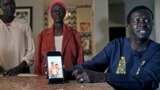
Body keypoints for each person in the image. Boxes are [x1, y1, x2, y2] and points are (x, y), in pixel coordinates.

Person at [65, 6, 160, 90]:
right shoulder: (116, 45)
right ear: (128, 26)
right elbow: (93, 65)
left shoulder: (156, 51)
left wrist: (104, 77)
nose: (142, 24)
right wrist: (65, 72)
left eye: (147, 20)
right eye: (137, 20)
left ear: (152, 24)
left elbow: (146, 80)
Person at [34, 0, 84, 76]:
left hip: (70, 77)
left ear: (64, 13)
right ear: (51, 14)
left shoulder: (75, 34)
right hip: (46, 78)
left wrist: (80, 75)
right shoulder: (42, 35)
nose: (57, 12)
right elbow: (38, 61)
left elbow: (80, 58)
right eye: (54, 10)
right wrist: (37, 78)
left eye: (60, 9)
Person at [0, 0, 35, 76]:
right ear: (0, 6)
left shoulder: (24, 24)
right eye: (5, 4)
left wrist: (19, 67)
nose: (9, 7)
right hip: (1, 74)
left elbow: (31, 50)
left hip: (21, 72)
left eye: (12, 3)